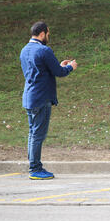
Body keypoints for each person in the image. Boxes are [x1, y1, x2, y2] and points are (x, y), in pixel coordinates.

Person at [19, 21, 77, 180]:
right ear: (42, 33)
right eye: (48, 34)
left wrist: (58, 65)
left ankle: (33, 166)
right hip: (41, 98)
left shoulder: (24, 51)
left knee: (33, 134)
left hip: (29, 97)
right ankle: (35, 169)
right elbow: (59, 72)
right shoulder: (44, 50)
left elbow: (41, 71)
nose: (48, 37)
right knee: (38, 135)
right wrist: (71, 67)